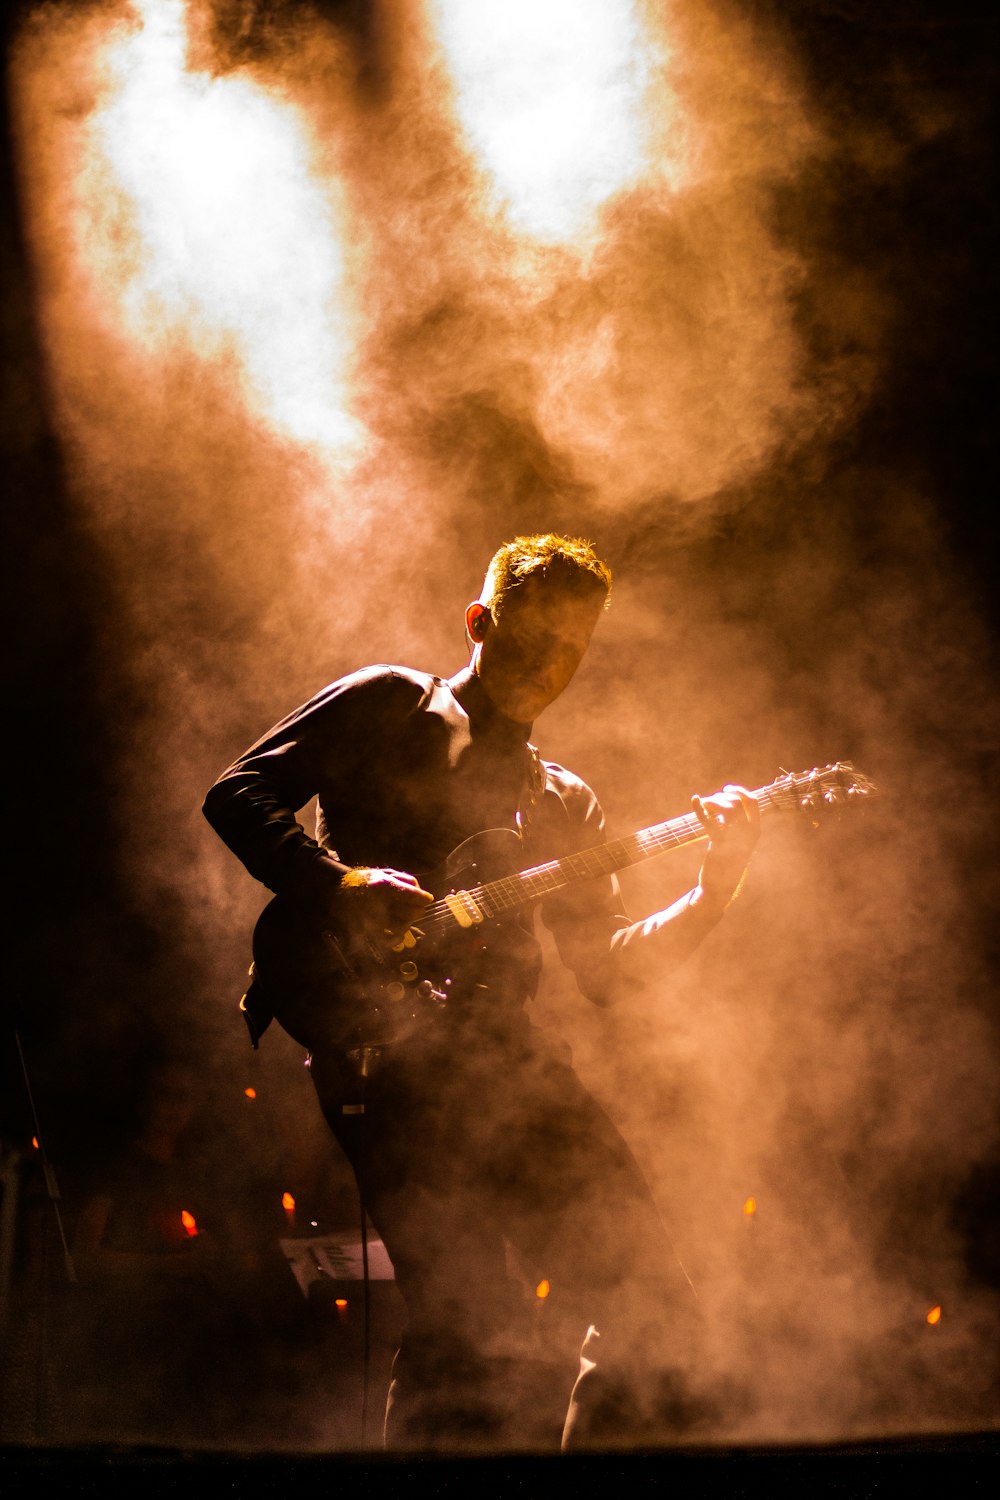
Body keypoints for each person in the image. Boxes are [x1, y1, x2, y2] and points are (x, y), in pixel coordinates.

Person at [203, 533, 759, 1451]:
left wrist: (714, 888)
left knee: (659, 1321)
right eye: (531, 639)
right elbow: (239, 792)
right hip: (387, 1055)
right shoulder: (391, 702)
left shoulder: (562, 800)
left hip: (515, 1063)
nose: (550, 666)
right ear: (478, 625)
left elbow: (612, 970)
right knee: (474, 1329)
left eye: (572, 651)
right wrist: (339, 884)